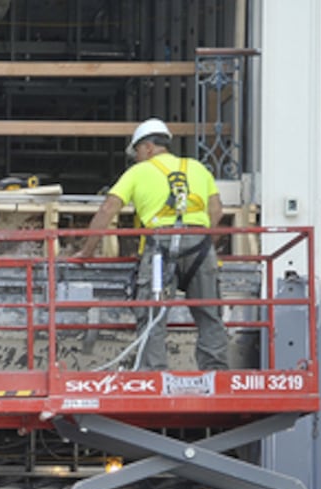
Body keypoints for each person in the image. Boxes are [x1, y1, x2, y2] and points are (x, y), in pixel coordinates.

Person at [76, 117, 230, 371]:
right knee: (209, 313)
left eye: (136, 151)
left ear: (148, 147)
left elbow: (107, 209)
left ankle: (154, 374)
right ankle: (216, 374)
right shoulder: (198, 168)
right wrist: (203, 245)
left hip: (160, 246)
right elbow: (216, 211)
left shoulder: (138, 172)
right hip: (201, 244)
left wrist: (87, 251)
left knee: (151, 314)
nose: (136, 157)